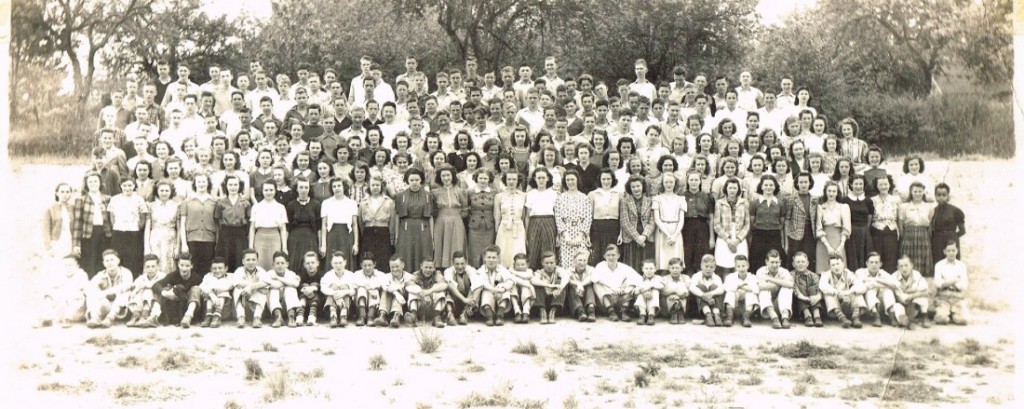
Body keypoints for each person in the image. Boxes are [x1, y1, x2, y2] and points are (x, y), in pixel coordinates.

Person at [73, 172, 113, 277]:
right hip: (88, 235)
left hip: (105, 234)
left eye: (95, 181)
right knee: (89, 262)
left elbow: (112, 219)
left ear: (100, 183)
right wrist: (76, 244)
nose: (93, 183)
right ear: (86, 184)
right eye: (90, 181)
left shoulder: (108, 199)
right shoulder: (81, 199)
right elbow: (78, 223)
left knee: (103, 260)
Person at [394, 168, 434, 271]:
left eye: (417, 180)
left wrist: (432, 237)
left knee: (423, 252)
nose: (414, 183)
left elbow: (430, 217)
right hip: (406, 229)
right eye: (411, 180)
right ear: (407, 181)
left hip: (423, 228)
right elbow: (397, 217)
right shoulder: (400, 196)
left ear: (421, 180)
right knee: (406, 253)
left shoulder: (428, 196)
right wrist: (397, 235)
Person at [85, 250, 135, 328]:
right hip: (106, 305)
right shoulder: (100, 275)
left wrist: (105, 293)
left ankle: (109, 319)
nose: (110, 263)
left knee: (124, 293)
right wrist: (98, 292)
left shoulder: (126, 272)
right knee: (91, 294)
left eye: (112, 260)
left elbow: (127, 285)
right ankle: (95, 318)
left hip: (121, 309)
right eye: (107, 261)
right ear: (104, 263)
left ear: (118, 261)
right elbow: (88, 289)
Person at [179, 174, 217, 275]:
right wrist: (184, 243)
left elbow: (217, 224)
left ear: (208, 183)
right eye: (199, 182)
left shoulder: (214, 201)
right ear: (195, 184)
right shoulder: (187, 201)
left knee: (207, 267)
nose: (201, 184)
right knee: (193, 267)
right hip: (192, 239)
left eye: (204, 181)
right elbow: (182, 223)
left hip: (209, 239)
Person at [555, 170, 593, 270]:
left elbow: (588, 217)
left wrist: (580, 236)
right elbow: (558, 217)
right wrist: (565, 235)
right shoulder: (560, 198)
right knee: (566, 263)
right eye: (568, 180)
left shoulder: (584, 197)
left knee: (580, 261)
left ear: (577, 180)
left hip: (580, 233)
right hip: (566, 234)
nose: (570, 182)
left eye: (572, 179)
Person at [591, 244, 640, 322]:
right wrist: (612, 287)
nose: (611, 258)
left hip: (622, 299)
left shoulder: (624, 267)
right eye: (608, 255)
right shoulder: (600, 266)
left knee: (632, 282)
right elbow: (594, 278)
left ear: (618, 256)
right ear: (604, 256)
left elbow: (639, 279)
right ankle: (611, 312)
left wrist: (628, 288)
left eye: (613, 255)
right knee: (596, 284)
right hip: (606, 300)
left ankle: (624, 311)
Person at [748, 175, 786, 271]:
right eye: (766, 185)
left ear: (775, 187)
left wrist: (774, 227)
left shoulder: (780, 203)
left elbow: (782, 222)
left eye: (771, 185)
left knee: (774, 259)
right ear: (761, 186)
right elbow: (752, 221)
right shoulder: (754, 203)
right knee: (758, 259)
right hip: (759, 235)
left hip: (774, 236)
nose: (768, 187)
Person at [713, 178, 749, 276]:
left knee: (738, 265)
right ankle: (727, 289)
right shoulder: (719, 203)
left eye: (735, 188)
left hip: (739, 238)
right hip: (724, 237)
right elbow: (716, 224)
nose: (732, 190)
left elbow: (747, 224)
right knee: (726, 265)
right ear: (726, 189)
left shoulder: (744, 202)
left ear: (738, 189)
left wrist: (738, 240)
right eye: (730, 188)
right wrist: (728, 240)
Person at [249, 181, 289, 271]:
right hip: (260, 237)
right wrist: (251, 246)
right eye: (266, 190)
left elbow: (283, 229)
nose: (268, 192)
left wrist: (284, 247)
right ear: (262, 191)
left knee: (275, 262)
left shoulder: (280, 207)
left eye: (271, 190)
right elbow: (252, 228)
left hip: (275, 237)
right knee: (260, 264)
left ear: (275, 191)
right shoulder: (256, 207)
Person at [213, 176, 250, 272]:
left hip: (240, 234)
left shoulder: (245, 203)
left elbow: (248, 220)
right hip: (225, 234)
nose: (233, 187)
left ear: (239, 186)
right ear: (226, 186)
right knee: (226, 258)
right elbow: (217, 220)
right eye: (230, 184)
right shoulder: (221, 203)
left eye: (235, 184)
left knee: (239, 258)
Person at [41, 256, 89, 328]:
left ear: (77, 266)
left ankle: (67, 319)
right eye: (65, 265)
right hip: (63, 309)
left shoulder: (81, 275)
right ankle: (45, 317)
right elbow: (52, 289)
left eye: (70, 265)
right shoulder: (60, 276)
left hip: (77, 312)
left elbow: (86, 292)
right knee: (49, 293)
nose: (68, 268)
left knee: (77, 294)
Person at [818, 255, 866, 328]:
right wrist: (837, 293)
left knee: (856, 291)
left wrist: (849, 292)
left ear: (843, 264)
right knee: (828, 294)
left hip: (848, 304)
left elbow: (862, 286)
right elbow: (822, 285)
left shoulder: (848, 273)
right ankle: (843, 319)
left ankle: (855, 318)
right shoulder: (826, 274)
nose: (836, 267)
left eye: (838, 264)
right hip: (834, 309)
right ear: (830, 267)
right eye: (833, 265)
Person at [855, 252, 900, 327]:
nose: (874, 265)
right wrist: (881, 284)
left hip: (883, 305)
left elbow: (895, 285)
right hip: (868, 306)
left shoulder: (883, 273)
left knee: (887, 290)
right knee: (870, 291)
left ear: (880, 264)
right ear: (866, 263)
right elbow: (860, 285)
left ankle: (892, 317)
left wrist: (878, 280)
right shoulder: (860, 272)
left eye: (876, 262)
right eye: (871, 262)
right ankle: (876, 317)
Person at [899, 182, 935, 277]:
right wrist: (904, 237)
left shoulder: (929, 207)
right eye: (915, 191)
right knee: (908, 258)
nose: (918, 193)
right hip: (908, 235)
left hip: (923, 235)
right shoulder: (904, 206)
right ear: (911, 192)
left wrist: (927, 236)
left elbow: (931, 223)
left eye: (920, 191)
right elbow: (901, 224)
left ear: (923, 192)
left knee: (923, 258)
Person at [285, 178, 321, 272]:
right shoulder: (291, 205)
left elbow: (319, 227)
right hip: (295, 239)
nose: (304, 190)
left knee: (310, 262)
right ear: (296, 189)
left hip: (311, 238)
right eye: (301, 187)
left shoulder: (316, 204)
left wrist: (320, 244)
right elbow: (287, 228)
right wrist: (285, 246)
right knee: (294, 263)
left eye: (306, 187)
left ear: (309, 189)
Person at [525, 168, 558, 270]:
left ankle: (548, 276)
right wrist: (526, 234)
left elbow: (557, 214)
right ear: (535, 179)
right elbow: (527, 216)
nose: (541, 180)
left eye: (543, 177)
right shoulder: (530, 194)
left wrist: (558, 234)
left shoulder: (553, 194)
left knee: (548, 251)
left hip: (549, 222)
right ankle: (534, 276)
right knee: (533, 250)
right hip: (534, 223)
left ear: (548, 178)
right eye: (539, 178)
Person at [681, 172, 714, 274]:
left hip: (702, 226)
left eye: (696, 180)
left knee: (701, 253)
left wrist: (712, 238)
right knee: (688, 252)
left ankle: (700, 277)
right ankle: (689, 277)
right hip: (686, 226)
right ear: (687, 181)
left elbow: (711, 218)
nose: (694, 182)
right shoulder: (682, 196)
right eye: (691, 180)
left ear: (700, 181)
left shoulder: (707, 196)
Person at [785, 172, 818, 272]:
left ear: (809, 183)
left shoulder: (814, 199)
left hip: (810, 233)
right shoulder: (791, 199)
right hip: (795, 234)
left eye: (806, 182)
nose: (803, 184)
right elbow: (787, 219)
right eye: (801, 182)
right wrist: (786, 240)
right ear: (797, 184)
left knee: (809, 257)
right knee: (795, 258)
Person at [815, 181, 851, 273]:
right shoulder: (820, 207)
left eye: (834, 191)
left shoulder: (843, 207)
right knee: (823, 270)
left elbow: (846, 228)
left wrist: (841, 246)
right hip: (823, 242)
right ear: (825, 192)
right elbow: (819, 228)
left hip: (838, 240)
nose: (831, 193)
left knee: (838, 268)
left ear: (837, 192)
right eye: (829, 191)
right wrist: (828, 247)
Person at [620, 176, 655, 269]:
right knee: (631, 265)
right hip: (631, 237)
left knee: (646, 265)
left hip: (646, 237)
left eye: (638, 186)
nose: (636, 189)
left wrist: (644, 236)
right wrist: (637, 238)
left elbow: (652, 221)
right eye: (633, 187)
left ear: (643, 187)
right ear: (630, 188)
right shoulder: (625, 201)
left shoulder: (650, 201)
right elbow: (624, 222)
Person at [588, 169, 621, 266]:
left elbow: (622, 215)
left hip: (614, 227)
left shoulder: (619, 194)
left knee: (612, 253)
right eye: (604, 179)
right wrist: (588, 234)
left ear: (612, 180)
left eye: (608, 179)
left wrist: (621, 234)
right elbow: (589, 215)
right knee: (598, 254)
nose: (606, 181)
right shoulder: (593, 194)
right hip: (598, 228)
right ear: (600, 180)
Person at [494, 171, 527, 267]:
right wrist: (497, 230)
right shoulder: (499, 196)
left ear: (518, 181)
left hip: (518, 227)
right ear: (505, 180)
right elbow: (497, 216)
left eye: (514, 179)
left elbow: (524, 215)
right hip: (504, 227)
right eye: (509, 179)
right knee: (504, 251)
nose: (511, 182)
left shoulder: (523, 195)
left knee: (518, 250)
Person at [755, 250, 794, 329]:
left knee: (786, 289)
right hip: (765, 306)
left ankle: (785, 318)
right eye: (772, 262)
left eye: (777, 262)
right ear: (766, 262)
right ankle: (774, 318)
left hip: (780, 305)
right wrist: (781, 283)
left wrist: (771, 279)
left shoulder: (784, 271)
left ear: (780, 262)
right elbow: (760, 287)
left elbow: (790, 285)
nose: (775, 265)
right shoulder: (761, 271)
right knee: (764, 290)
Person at [231, 249, 270, 328]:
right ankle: (241, 317)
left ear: (257, 261)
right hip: (243, 303)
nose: (251, 262)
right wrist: (255, 286)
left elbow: (267, 283)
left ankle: (257, 318)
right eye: (248, 260)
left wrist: (251, 287)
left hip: (258, 306)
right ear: (243, 261)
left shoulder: (261, 271)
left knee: (263, 291)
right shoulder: (239, 270)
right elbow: (237, 283)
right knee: (237, 289)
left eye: (253, 259)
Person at [842, 175, 874, 271]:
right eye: (856, 184)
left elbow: (870, 217)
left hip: (864, 232)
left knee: (865, 256)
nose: (858, 186)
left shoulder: (868, 200)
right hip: (851, 232)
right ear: (851, 184)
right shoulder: (845, 200)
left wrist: (865, 230)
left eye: (861, 184)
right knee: (852, 257)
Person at [933, 241, 969, 325]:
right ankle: (945, 313)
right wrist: (955, 280)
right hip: (943, 296)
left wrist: (946, 282)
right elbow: (938, 283)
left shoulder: (961, 266)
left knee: (964, 320)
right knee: (942, 320)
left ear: (957, 251)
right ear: (944, 251)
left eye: (953, 250)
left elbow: (964, 285)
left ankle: (954, 314)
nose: (951, 253)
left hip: (957, 296)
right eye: (948, 250)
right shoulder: (939, 265)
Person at [466, 170, 497, 265]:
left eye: (485, 178)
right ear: (476, 179)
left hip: (489, 227)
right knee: (474, 251)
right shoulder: (469, 192)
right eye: (480, 178)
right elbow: (466, 209)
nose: (483, 181)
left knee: (488, 250)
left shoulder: (494, 193)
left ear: (489, 179)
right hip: (474, 227)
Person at [478, 245, 515, 326]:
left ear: (498, 259)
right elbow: (483, 283)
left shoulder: (502, 269)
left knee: (506, 292)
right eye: (489, 257)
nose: (491, 260)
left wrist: (502, 288)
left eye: (494, 258)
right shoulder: (481, 270)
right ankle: (489, 316)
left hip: (500, 294)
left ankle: (500, 315)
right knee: (486, 292)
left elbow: (511, 280)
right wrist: (495, 290)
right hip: (489, 293)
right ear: (484, 258)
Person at [263, 251, 301, 328]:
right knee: (274, 290)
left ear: (287, 264)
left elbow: (296, 284)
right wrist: (287, 282)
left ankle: (291, 317)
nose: (280, 266)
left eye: (282, 263)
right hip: (274, 306)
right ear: (273, 265)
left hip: (287, 305)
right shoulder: (269, 273)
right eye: (277, 263)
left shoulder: (290, 273)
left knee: (290, 289)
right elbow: (272, 285)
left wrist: (277, 278)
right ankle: (278, 317)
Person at [346, 253, 386, 327]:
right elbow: (352, 286)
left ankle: (370, 317)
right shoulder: (356, 274)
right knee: (361, 289)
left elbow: (385, 287)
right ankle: (361, 316)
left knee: (374, 291)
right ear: (361, 265)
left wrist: (372, 288)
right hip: (359, 306)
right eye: (365, 265)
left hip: (375, 307)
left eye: (370, 265)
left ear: (374, 264)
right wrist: (366, 287)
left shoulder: (380, 275)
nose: (367, 268)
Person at [871, 175, 901, 272]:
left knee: (891, 256)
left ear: (890, 185)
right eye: (880, 184)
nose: (883, 187)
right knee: (877, 256)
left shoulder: (896, 199)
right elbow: (870, 218)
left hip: (891, 230)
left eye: (886, 184)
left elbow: (899, 218)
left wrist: (900, 232)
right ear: (876, 186)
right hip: (877, 230)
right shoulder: (872, 200)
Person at [931, 183, 966, 265]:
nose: (941, 197)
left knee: (952, 263)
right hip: (937, 242)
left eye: (944, 195)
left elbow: (962, 231)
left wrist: (952, 236)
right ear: (935, 196)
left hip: (951, 240)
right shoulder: (933, 211)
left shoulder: (956, 211)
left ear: (948, 196)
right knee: (938, 263)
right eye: (938, 195)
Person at [444, 252, 482, 325]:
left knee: (478, 286)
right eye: (457, 264)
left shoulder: (471, 270)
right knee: (447, 287)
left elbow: (478, 285)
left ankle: (464, 314)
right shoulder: (448, 271)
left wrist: (471, 302)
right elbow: (450, 285)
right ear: (453, 263)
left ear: (466, 262)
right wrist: (464, 299)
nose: (460, 267)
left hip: (467, 301)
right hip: (455, 300)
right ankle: (450, 315)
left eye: (462, 263)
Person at [126, 254, 164, 328]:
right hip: (141, 304)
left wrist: (144, 286)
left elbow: (158, 287)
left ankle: (145, 316)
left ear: (158, 267)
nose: (150, 269)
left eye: (153, 266)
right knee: (136, 292)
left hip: (156, 302)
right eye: (148, 267)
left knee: (148, 290)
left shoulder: (162, 276)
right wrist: (136, 290)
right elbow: (134, 287)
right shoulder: (141, 278)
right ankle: (136, 315)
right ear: (144, 268)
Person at [893, 255, 931, 329]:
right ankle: (907, 322)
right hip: (901, 304)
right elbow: (904, 298)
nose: (904, 268)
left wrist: (913, 294)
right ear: (897, 268)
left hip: (913, 305)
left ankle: (924, 317)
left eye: (906, 265)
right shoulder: (894, 277)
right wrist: (917, 292)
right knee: (897, 308)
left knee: (923, 299)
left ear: (911, 266)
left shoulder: (916, 274)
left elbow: (926, 291)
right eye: (901, 266)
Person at [198, 257, 235, 328]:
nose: (217, 271)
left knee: (222, 293)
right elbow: (202, 286)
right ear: (211, 269)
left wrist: (213, 290)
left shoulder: (231, 276)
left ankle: (217, 316)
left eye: (220, 268)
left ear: (226, 268)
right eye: (214, 268)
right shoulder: (208, 276)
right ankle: (208, 316)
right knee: (207, 293)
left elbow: (230, 286)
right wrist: (212, 295)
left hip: (224, 309)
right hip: (209, 307)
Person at [722, 255, 759, 327]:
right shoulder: (731, 276)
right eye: (738, 266)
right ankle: (729, 317)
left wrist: (739, 287)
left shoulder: (752, 277)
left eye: (743, 266)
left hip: (747, 307)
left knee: (751, 293)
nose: (741, 268)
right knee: (730, 292)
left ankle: (746, 317)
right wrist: (741, 285)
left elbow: (756, 289)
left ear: (748, 265)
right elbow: (726, 287)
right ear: (735, 267)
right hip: (733, 306)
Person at [689, 254, 726, 327]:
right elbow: (692, 288)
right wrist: (703, 295)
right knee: (700, 287)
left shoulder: (717, 277)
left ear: (715, 268)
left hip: (713, 302)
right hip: (701, 306)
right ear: (701, 266)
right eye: (706, 266)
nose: (708, 269)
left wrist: (711, 294)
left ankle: (716, 314)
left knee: (715, 287)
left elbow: (721, 289)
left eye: (711, 267)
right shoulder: (696, 276)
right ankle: (708, 315)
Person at [320, 251, 354, 327]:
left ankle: (343, 317)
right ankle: (333, 317)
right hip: (331, 306)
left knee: (344, 287)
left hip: (347, 307)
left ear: (345, 262)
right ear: (331, 263)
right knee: (332, 287)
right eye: (335, 263)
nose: (338, 265)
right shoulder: (328, 275)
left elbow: (353, 291)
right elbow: (323, 288)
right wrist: (335, 294)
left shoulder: (350, 275)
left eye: (340, 263)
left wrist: (343, 292)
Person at [378, 255, 413, 328]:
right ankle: (382, 315)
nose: (394, 269)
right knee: (385, 291)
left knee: (397, 290)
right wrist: (396, 293)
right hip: (389, 305)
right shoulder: (387, 276)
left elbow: (410, 289)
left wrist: (398, 291)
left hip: (404, 305)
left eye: (397, 266)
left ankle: (396, 316)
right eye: (392, 267)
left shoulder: (409, 276)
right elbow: (385, 287)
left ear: (403, 265)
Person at [790, 252, 823, 327]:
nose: (800, 264)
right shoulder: (791, 275)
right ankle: (807, 315)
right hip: (798, 304)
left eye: (803, 262)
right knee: (800, 287)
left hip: (813, 301)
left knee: (812, 288)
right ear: (793, 264)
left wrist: (818, 296)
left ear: (807, 263)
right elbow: (793, 287)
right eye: (798, 262)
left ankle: (816, 315)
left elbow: (820, 287)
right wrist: (802, 297)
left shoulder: (813, 275)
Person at [44, 183, 76, 258]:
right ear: (57, 193)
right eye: (62, 192)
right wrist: (49, 247)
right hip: (56, 242)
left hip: (70, 241)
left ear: (70, 194)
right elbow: (46, 229)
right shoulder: (50, 209)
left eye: (67, 192)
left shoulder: (73, 208)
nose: (65, 194)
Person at [632, 259, 664, 325]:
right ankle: (642, 315)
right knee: (640, 294)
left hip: (654, 307)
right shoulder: (639, 279)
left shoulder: (659, 278)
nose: (649, 270)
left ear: (655, 269)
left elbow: (662, 286)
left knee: (655, 291)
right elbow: (635, 291)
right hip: (640, 307)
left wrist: (650, 287)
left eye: (651, 268)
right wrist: (643, 291)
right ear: (642, 269)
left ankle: (651, 315)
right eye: (646, 268)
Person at [296, 252, 324, 326]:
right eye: (308, 263)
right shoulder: (301, 275)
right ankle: (299, 316)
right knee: (303, 289)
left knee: (314, 287)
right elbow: (298, 286)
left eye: (312, 262)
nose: (310, 265)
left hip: (317, 305)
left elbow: (323, 286)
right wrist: (305, 290)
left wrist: (313, 288)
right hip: (304, 304)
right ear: (304, 265)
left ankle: (312, 316)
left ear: (317, 263)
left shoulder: (321, 275)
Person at [507, 254, 536, 323]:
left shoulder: (529, 271)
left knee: (526, 287)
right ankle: (517, 312)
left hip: (526, 296)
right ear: (514, 264)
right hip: (516, 295)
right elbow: (514, 279)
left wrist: (513, 272)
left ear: (527, 264)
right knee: (512, 286)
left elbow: (526, 276)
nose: (520, 267)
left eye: (523, 264)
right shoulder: (510, 272)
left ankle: (526, 312)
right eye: (518, 265)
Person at [660, 258, 690, 324]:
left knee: (681, 285)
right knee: (672, 287)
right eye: (672, 268)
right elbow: (662, 292)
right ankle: (673, 313)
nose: (674, 270)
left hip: (683, 300)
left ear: (682, 268)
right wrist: (674, 291)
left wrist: (682, 295)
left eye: (677, 268)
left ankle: (680, 313)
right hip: (668, 304)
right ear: (669, 269)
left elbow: (689, 291)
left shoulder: (686, 278)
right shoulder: (665, 278)